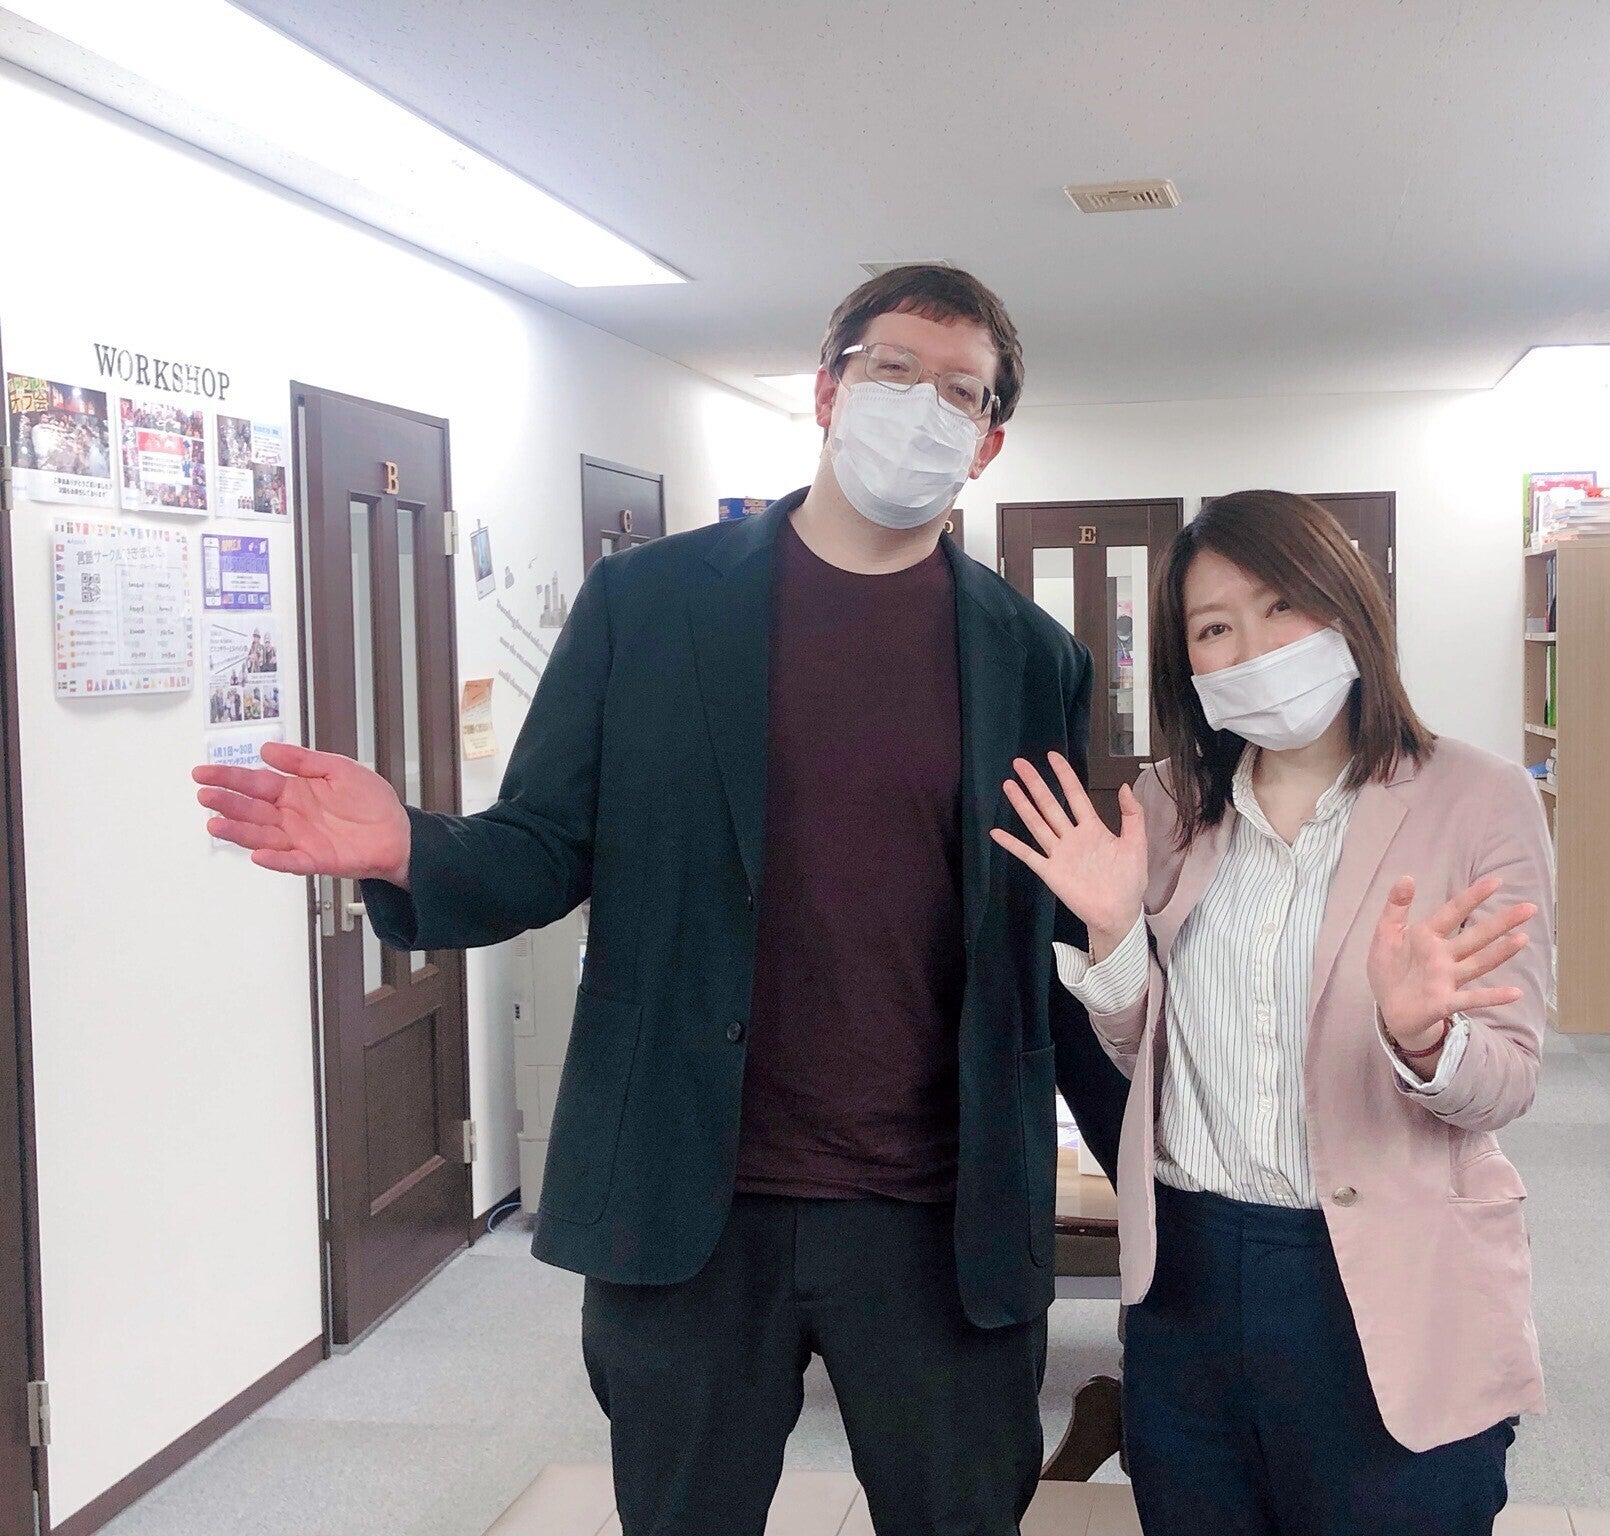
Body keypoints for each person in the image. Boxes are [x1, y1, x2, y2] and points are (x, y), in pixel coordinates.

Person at [192, 265, 1128, 1536]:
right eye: (892, 370)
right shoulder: (651, 605)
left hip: (937, 1214)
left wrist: (1145, 1150)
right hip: (691, 1197)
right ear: (828, 389)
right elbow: (543, 844)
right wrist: (409, 849)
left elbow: (1048, 922)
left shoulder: (1032, 656)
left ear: (988, 440)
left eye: (959, 391)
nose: (921, 406)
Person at [991, 489, 1551, 1536]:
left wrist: (1424, 1038)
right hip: (1188, 1277)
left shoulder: (1476, 798)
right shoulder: (1169, 805)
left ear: (1347, 606)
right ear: (1186, 663)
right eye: (1214, 629)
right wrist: (1112, 939)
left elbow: (1508, 1082)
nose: (1252, 648)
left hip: (1387, 1279)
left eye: (1280, 605)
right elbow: (1144, 1055)